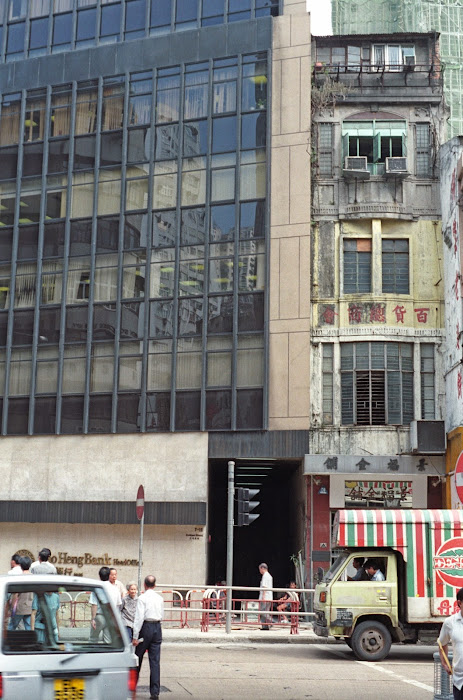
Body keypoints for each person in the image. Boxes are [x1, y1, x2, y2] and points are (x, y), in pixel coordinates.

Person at [132, 575, 164, 700]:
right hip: (157, 627)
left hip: (145, 628)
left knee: (138, 657)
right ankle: (155, 692)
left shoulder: (142, 598)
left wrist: (135, 636)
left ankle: (132, 687)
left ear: (144, 585)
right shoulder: (160, 598)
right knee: (155, 661)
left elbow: (139, 618)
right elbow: (162, 615)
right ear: (155, 585)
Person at [439, 587, 463, 699]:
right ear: (459, 603)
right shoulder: (450, 623)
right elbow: (442, 643)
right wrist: (444, 663)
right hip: (460, 681)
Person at [89, 566, 121, 644]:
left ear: (99, 576)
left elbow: (94, 604)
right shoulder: (115, 588)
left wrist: (93, 618)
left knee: (93, 639)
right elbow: (118, 605)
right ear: (109, 575)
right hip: (110, 617)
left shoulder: (97, 588)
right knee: (108, 641)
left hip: (100, 616)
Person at [8, 556, 33, 630]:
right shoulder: (33, 577)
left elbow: (15, 594)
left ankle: (7, 640)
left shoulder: (19, 578)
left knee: (12, 626)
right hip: (29, 606)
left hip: (19, 607)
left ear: (21, 565)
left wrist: (12, 607)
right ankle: (30, 641)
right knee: (28, 626)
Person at [258, 563, 273, 630]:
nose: (259, 571)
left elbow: (264, 587)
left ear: (262, 568)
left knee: (263, 612)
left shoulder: (265, 576)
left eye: (260, 569)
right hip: (268, 597)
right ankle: (265, 626)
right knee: (266, 611)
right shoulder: (269, 576)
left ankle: (271, 622)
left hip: (265, 597)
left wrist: (263, 597)